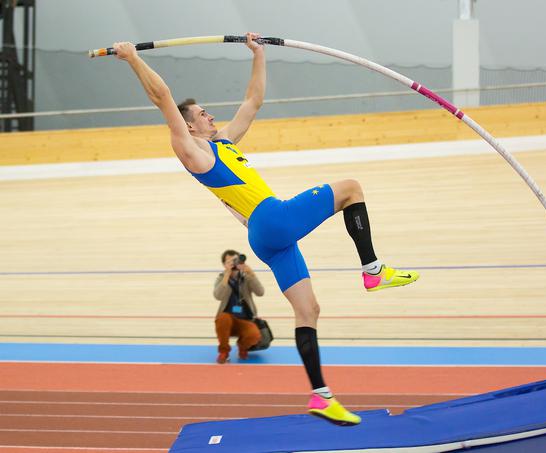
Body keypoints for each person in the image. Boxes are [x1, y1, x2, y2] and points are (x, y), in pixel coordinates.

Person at [113, 32, 419, 426]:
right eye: (202, 113)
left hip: (266, 238)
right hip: (271, 218)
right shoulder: (195, 151)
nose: (210, 115)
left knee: (308, 310)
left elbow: (252, 101)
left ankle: (321, 396)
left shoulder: (223, 142)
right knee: (351, 189)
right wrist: (132, 58)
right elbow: (163, 98)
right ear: (189, 128)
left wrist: (257, 54)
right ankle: (373, 271)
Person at [213, 249, 264, 364]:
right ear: (224, 265)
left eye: (235, 260)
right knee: (223, 318)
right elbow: (218, 296)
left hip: (245, 320)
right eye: (229, 262)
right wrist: (226, 275)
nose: (233, 264)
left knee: (254, 335)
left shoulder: (246, 278)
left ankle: (242, 346)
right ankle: (224, 352)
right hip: (227, 321)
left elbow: (260, 292)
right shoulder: (221, 278)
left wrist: (251, 273)